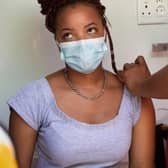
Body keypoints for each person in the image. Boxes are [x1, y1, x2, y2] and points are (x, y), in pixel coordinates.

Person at [7, 0, 155, 168]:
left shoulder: (134, 94)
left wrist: (143, 87)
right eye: (68, 35)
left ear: (104, 32)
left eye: (91, 30)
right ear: (58, 42)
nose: (82, 43)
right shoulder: (33, 99)